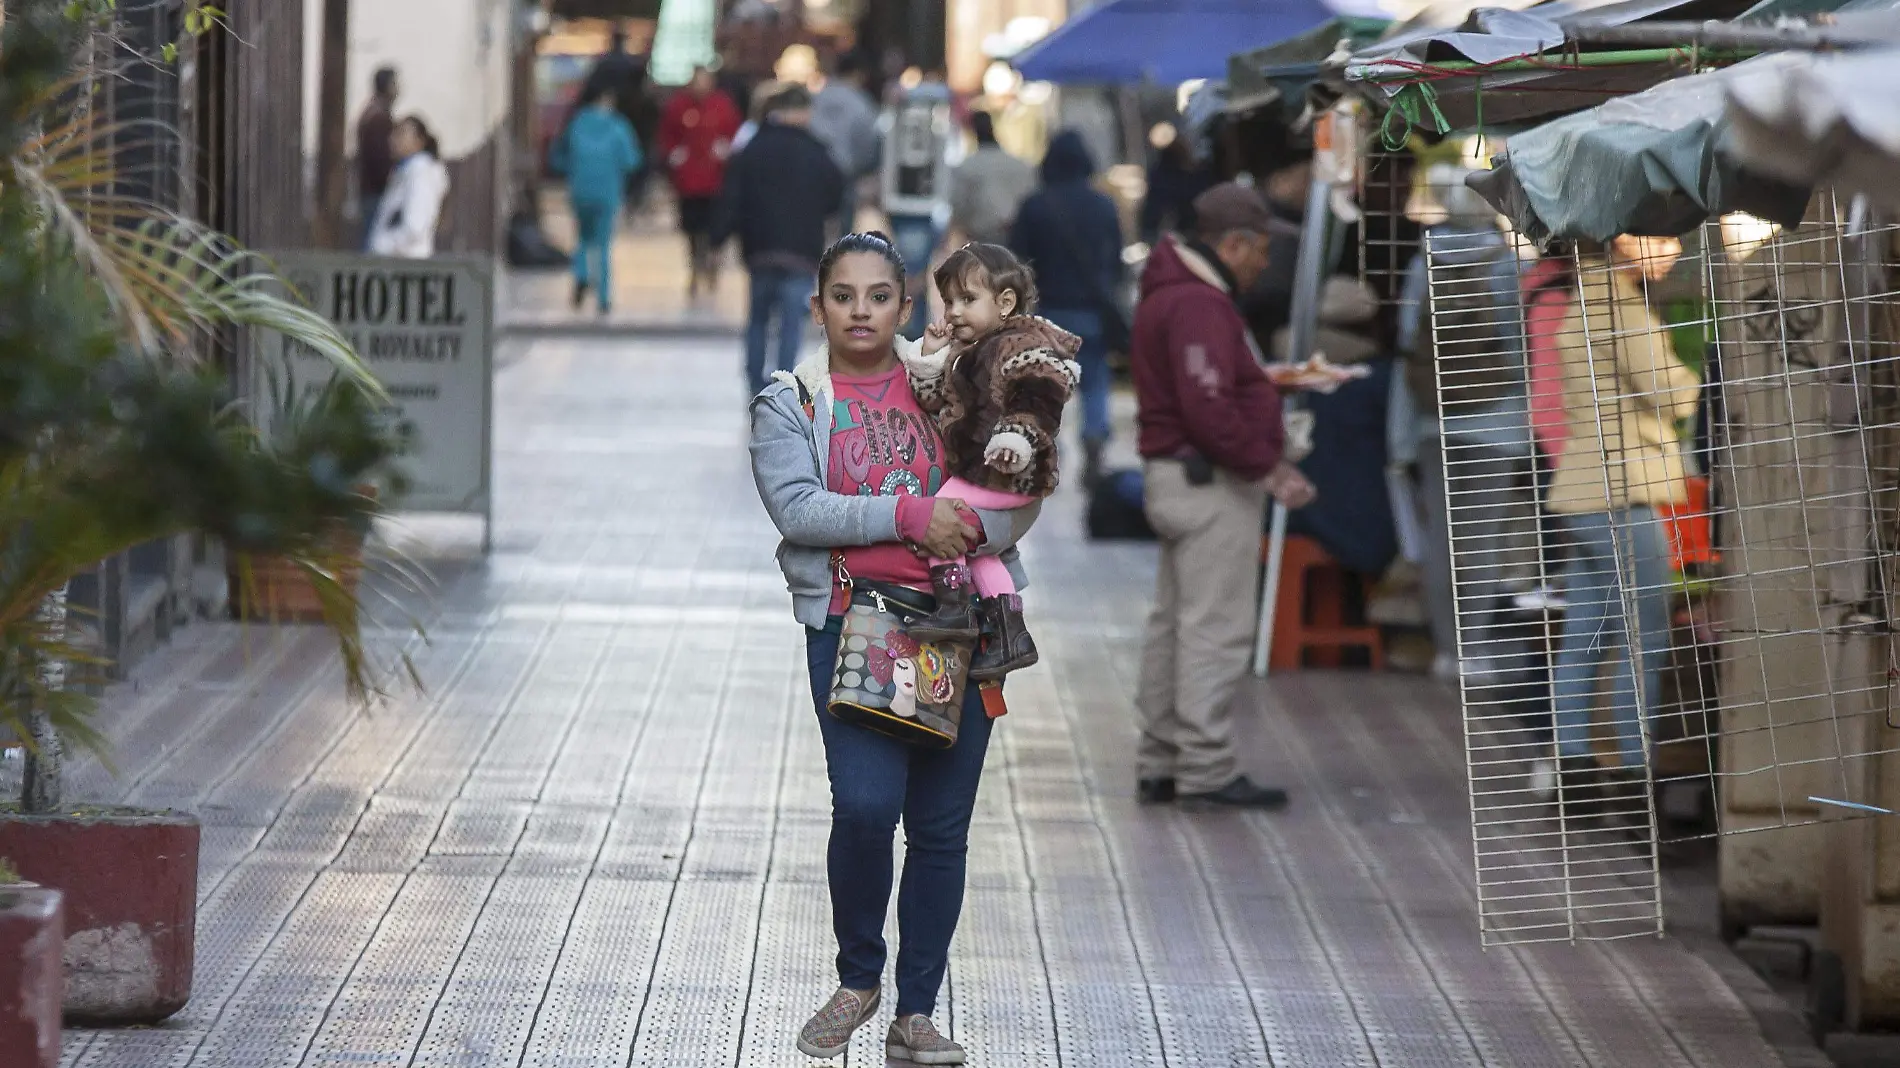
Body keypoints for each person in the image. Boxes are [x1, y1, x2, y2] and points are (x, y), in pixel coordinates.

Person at [750, 231, 1040, 1065]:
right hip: (855, 629)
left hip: (959, 629)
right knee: (868, 807)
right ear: (819, 306)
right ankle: (859, 973)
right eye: (844, 296)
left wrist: (977, 526)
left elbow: (1020, 482)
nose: (862, 311)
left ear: (905, 306)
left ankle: (917, 1013)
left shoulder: (953, 382)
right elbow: (800, 509)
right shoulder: (792, 401)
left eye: (879, 295)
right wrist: (912, 517)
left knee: (941, 829)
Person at [1129, 183, 1316, 809]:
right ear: (1232, 244)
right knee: (1214, 628)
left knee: (1173, 624)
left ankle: (1161, 759)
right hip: (1207, 483)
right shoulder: (1199, 305)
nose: (1264, 262)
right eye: (1259, 249)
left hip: (1175, 476)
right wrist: (1269, 466)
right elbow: (1207, 406)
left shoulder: (1168, 295)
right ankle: (1205, 768)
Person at [1547, 234, 1700, 795]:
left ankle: (1574, 767)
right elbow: (1669, 394)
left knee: (1586, 632)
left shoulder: (1583, 299)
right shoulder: (1621, 307)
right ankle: (1637, 774)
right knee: (1647, 635)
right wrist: (1702, 376)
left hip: (1583, 488)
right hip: (1622, 489)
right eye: (1662, 238)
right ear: (1623, 242)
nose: (1676, 248)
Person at [901, 243, 1080, 678]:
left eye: (968, 299)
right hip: (987, 473)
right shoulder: (970, 350)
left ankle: (954, 611)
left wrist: (1016, 437)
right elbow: (933, 404)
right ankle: (1010, 634)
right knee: (979, 552)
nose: (955, 312)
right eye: (949, 302)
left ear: (1005, 303)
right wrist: (930, 357)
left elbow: (1040, 397)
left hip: (1005, 472)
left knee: (940, 519)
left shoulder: (1021, 344)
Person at [1008, 129, 1125, 486]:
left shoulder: (1034, 205)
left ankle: (1045, 453)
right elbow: (1115, 262)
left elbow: (1017, 264)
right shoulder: (1105, 205)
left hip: (1047, 312)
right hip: (1091, 311)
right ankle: (1094, 434)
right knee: (1095, 381)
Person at [715, 84, 845, 397]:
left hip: (760, 246)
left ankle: (753, 379)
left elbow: (732, 194)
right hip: (800, 249)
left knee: (758, 317)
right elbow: (835, 195)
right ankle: (782, 380)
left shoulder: (754, 147)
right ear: (803, 112)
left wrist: (719, 236)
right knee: (790, 320)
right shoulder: (817, 152)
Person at [551, 84, 643, 313]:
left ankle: (581, 275)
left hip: (580, 190)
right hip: (607, 191)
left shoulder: (576, 124)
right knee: (602, 244)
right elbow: (632, 160)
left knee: (583, 238)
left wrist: (572, 170)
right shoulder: (618, 126)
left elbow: (558, 157)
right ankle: (603, 296)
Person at [657, 66, 742, 298]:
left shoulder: (722, 105)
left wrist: (726, 151)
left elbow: (734, 132)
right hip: (689, 182)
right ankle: (695, 267)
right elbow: (668, 135)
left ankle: (712, 265)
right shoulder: (679, 106)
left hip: (716, 180)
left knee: (715, 228)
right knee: (692, 229)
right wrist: (675, 155)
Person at [810, 51, 882, 233]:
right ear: (860, 74)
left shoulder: (816, 98)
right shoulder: (862, 104)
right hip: (844, 177)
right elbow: (868, 146)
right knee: (839, 238)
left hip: (812, 174)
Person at [950, 111, 1035, 248]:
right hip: (1017, 235)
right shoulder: (1021, 165)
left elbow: (959, 205)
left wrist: (962, 228)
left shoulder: (967, 168)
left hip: (983, 236)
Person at [368, 116, 449, 259]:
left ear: (419, 141)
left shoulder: (420, 173)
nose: (393, 140)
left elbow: (414, 227)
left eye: (401, 134)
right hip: (395, 262)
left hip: (406, 264)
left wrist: (381, 245)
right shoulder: (404, 172)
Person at [355, 67, 400, 250]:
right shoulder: (378, 118)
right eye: (395, 84)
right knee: (375, 242)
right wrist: (391, 179)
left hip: (373, 190)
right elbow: (379, 158)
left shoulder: (373, 113)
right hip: (377, 192)